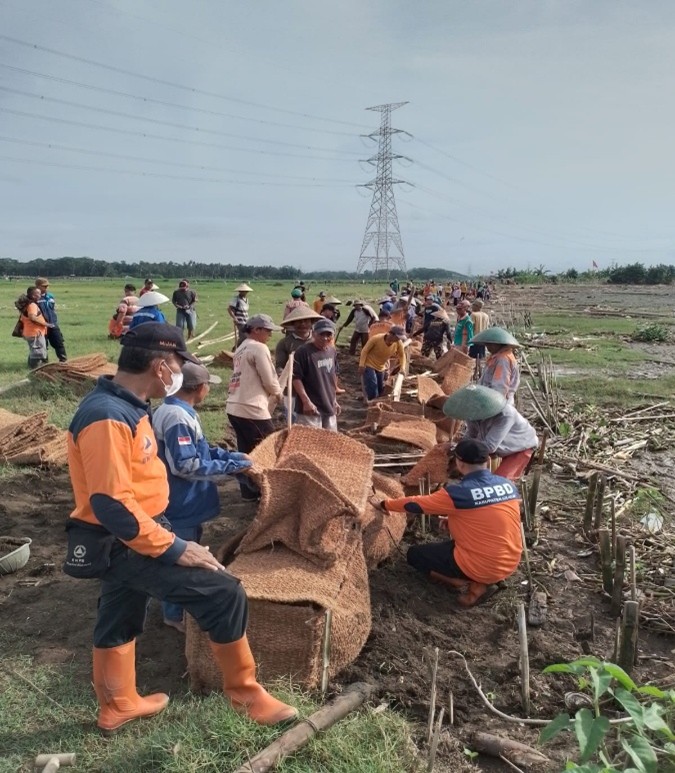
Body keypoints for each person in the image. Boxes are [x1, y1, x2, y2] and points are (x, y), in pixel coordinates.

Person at [65, 322, 296, 733]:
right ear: (159, 365)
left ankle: (118, 704)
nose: (178, 373)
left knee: (120, 612)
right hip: (126, 537)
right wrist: (173, 547)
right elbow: (111, 503)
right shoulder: (106, 416)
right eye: (177, 363)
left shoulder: (131, 406)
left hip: (136, 529)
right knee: (223, 592)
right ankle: (246, 695)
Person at [153, 361, 252, 632]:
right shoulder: (177, 417)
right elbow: (185, 465)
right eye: (208, 385)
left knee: (185, 550)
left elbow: (200, 450)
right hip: (180, 500)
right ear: (199, 388)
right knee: (181, 556)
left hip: (185, 501)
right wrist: (231, 467)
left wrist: (227, 455)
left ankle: (174, 605)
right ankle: (173, 614)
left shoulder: (177, 411)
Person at [378, 439, 522, 607]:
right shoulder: (507, 485)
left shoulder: (458, 493)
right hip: (510, 561)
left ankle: (464, 582)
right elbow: (492, 518)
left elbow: (415, 504)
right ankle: (484, 577)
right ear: (488, 461)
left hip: (482, 566)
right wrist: (454, 519)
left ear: (459, 463)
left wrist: (384, 504)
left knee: (414, 555)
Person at [225, 314, 283, 501]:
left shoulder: (241, 347)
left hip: (234, 406)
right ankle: (269, 492)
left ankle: (249, 491)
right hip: (252, 408)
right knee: (268, 450)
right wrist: (278, 393)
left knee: (247, 451)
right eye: (267, 331)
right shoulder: (259, 348)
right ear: (256, 330)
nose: (269, 335)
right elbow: (268, 379)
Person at [443, 385, 538, 480]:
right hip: (499, 447)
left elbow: (490, 446)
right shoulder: (472, 413)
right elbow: (471, 435)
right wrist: (455, 448)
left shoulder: (506, 415)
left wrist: (458, 449)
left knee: (501, 482)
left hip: (520, 448)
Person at [292, 318, 340, 431]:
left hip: (328, 406)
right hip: (311, 408)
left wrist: (334, 400)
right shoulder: (303, 352)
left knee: (330, 443)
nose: (325, 338)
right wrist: (306, 401)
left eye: (329, 334)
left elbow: (334, 375)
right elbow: (296, 378)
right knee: (309, 443)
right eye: (321, 334)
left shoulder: (332, 351)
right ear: (313, 334)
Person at [359, 326, 407, 401]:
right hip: (369, 364)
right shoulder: (376, 339)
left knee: (380, 389)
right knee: (373, 386)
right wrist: (361, 365)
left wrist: (402, 368)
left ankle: (369, 397)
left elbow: (402, 355)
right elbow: (364, 351)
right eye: (397, 337)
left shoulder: (398, 343)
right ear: (391, 334)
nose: (398, 339)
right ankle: (372, 404)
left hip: (381, 367)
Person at [474, 327, 521, 404]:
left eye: (490, 345)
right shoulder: (497, 356)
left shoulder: (503, 359)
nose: (488, 348)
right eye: (487, 345)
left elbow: (500, 387)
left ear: (498, 344)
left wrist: (494, 403)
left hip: (498, 402)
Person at [275, 306, 321, 373]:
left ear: (311, 322)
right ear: (293, 323)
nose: (303, 324)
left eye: (306, 321)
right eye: (299, 321)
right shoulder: (284, 343)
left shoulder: (318, 340)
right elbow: (279, 367)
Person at [35, 277, 67, 362]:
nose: (46, 288)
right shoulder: (34, 298)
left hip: (52, 324)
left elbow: (52, 309)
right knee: (42, 346)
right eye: (44, 286)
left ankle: (63, 361)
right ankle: (44, 364)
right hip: (40, 326)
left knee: (59, 343)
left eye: (47, 286)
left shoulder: (50, 297)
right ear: (37, 286)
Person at [18, 286, 51, 368]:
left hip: (30, 332)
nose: (40, 295)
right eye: (38, 294)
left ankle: (34, 369)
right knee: (37, 353)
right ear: (33, 296)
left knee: (35, 351)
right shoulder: (32, 305)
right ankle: (34, 370)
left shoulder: (27, 304)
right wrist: (46, 324)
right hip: (35, 333)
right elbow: (32, 317)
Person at [469, 299, 490, 376]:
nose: (472, 307)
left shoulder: (473, 315)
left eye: (473, 305)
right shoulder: (486, 316)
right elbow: (487, 327)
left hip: (475, 338)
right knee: (480, 356)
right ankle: (479, 372)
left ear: (477, 306)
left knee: (475, 357)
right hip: (483, 338)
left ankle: (477, 372)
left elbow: (471, 327)